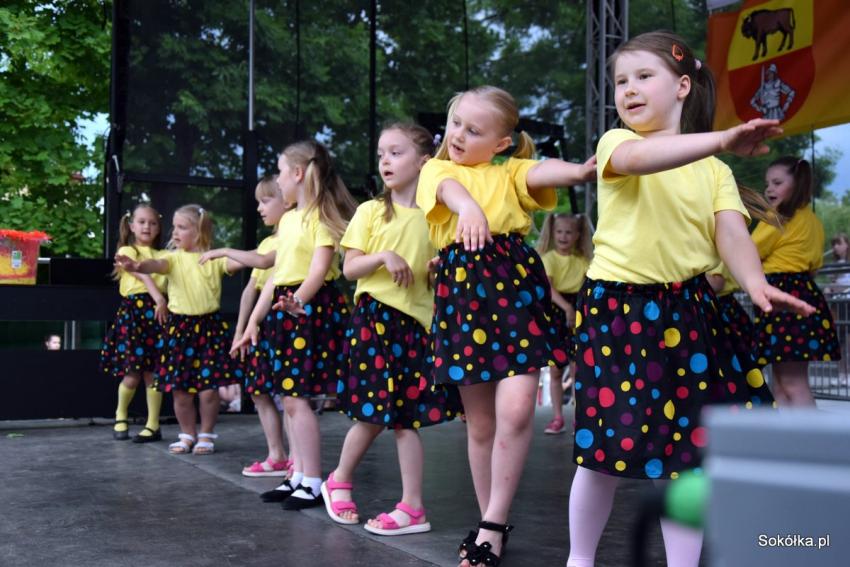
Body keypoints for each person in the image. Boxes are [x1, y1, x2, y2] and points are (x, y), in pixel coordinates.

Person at [566, 31, 814, 567]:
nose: (628, 89)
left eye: (643, 76)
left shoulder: (715, 171)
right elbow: (642, 160)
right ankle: (579, 560)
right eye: (620, 81)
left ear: (682, 86)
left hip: (688, 313)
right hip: (619, 313)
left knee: (687, 456)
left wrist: (755, 282)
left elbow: (732, 234)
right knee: (603, 452)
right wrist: (722, 139)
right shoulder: (616, 143)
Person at [417, 85, 595, 567]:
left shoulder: (510, 171)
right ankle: (489, 523)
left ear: (501, 143)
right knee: (480, 423)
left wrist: (582, 171)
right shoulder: (437, 169)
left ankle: (493, 524)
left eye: (473, 130)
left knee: (515, 412)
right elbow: (449, 190)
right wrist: (469, 208)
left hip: (515, 289)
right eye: (456, 123)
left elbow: (542, 171)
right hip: (464, 297)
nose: (458, 135)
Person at [321, 123, 461, 535]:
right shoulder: (370, 212)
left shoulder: (438, 219)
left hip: (416, 329)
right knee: (372, 412)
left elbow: (437, 280)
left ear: (424, 161)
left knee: (406, 419)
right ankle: (338, 480)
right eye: (382, 153)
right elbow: (349, 268)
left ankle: (412, 507)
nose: (385, 160)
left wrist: (438, 270)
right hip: (375, 321)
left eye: (396, 153)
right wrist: (384, 256)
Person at [234, 141, 356, 510]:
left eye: (280, 170)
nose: (278, 178)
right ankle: (298, 476)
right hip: (285, 309)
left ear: (298, 173)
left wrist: (298, 302)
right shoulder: (287, 221)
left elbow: (318, 270)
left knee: (297, 397)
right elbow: (274, 274)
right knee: (289, 398)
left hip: (306, 310)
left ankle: (313, 480)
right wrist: (255, 321)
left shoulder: (321, 217)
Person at [115, 204, 245, 455]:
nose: (174, 232)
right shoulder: (172, 258)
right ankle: (187, 434)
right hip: (179, 329)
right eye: (174, 227)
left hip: (209, 329)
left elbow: (245, 261)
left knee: (208, 390)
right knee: (181, 390)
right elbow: (155, 265)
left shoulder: (213, 259)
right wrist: (137, 266)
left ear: (199, 232)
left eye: (181, 227)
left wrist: (229, 251)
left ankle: (206, 434)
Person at [201, 176, 296, 477]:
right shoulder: (269, 240)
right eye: (258, 202)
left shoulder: (293, 234)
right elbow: (250, 290)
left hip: (284, 319)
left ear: (287, 201)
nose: (259, 208)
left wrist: (223, 251)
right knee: (258, 391)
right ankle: (277, 455)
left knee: (291, 394)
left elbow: (264, 261)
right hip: (261, 326)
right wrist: (240, 331)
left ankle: (298, 460)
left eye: (265, 200)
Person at [752, 157, 842, 406]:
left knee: (791, 382)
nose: (769, 189)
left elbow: (749, 249)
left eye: (777, 182)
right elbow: (814, 264)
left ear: (797, 183)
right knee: (783, 382)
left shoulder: (778, 217)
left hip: (783, 296)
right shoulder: (812, 220)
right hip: (803, 291)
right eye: (768, 183)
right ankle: (790, 430)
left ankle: (806, 432)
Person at [100, 204, 167, 442]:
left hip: (158, 315)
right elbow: (140, 273)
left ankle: (153, 424)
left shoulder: (164, 255)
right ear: (131, 226)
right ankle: (121, 414)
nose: (147, 227)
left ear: (159, 227)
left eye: (152, 223)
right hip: (134, 314)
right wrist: (158, 297)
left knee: (153, 373)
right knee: (132, 372)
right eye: (142, 222)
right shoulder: (128, 250)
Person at [535, 212, 593, 434]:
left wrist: (577, 310)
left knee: (578, 371)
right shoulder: (548, 258)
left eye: (569, 232)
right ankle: (557, 417)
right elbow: (549, 289)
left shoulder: (583, 262)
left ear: (577, 235)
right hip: (557, 311)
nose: (563, 236)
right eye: (559, 231)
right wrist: (568, 308)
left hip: (578, 311)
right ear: (553, 233)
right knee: (556, 371)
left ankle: (579, 418)